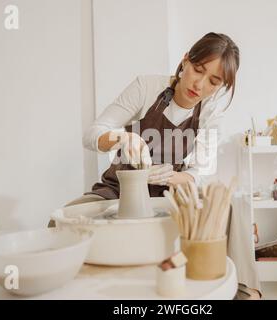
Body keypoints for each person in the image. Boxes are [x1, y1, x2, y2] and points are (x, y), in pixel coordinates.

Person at [61, 32, 261, 299]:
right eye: (198, 70)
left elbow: (200, 172)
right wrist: (123, 137)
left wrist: (169, 177)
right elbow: (93, 133)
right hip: (118, 191)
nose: (199, 85)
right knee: (66, 216)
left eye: (213, 81)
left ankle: (246, 291)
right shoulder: (146, 87)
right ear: (185, 60)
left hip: (170, 197)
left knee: (231, 206)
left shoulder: (211, 113)